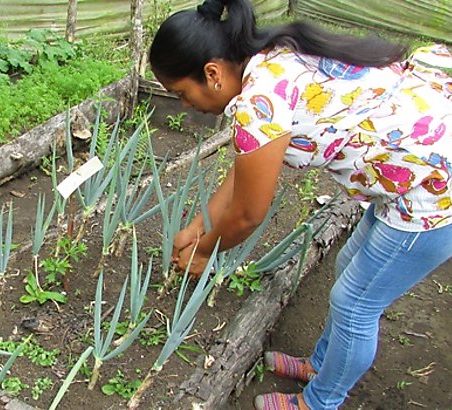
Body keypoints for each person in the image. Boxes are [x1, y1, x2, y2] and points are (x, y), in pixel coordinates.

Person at [148, 0, 452, 409]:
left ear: (212, 73)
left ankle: (320, 402)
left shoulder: (260, 101)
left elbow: (249, 213)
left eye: (182, 94)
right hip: (416, 165)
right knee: (350, 270)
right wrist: (202, 223)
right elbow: (245, 169)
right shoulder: (269, 59)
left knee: (356, 303)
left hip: (433, 190)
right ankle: (324, 365)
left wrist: (204, 251)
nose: (185, 105)